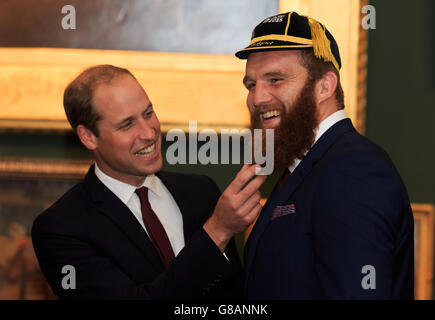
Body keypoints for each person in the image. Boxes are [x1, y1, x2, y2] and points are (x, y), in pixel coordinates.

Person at [31, 65, 266, 299]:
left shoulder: (201, 192)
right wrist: (217, 231)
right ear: (88, 137)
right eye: (127, 124)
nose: (149, 133)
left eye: (148, 113)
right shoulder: (61, 228)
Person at [236, 11, 414, 299]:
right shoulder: (308, 166)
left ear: (325, 87)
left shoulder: (354, 171)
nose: (257, 98)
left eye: (276, 80)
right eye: (251, 84)